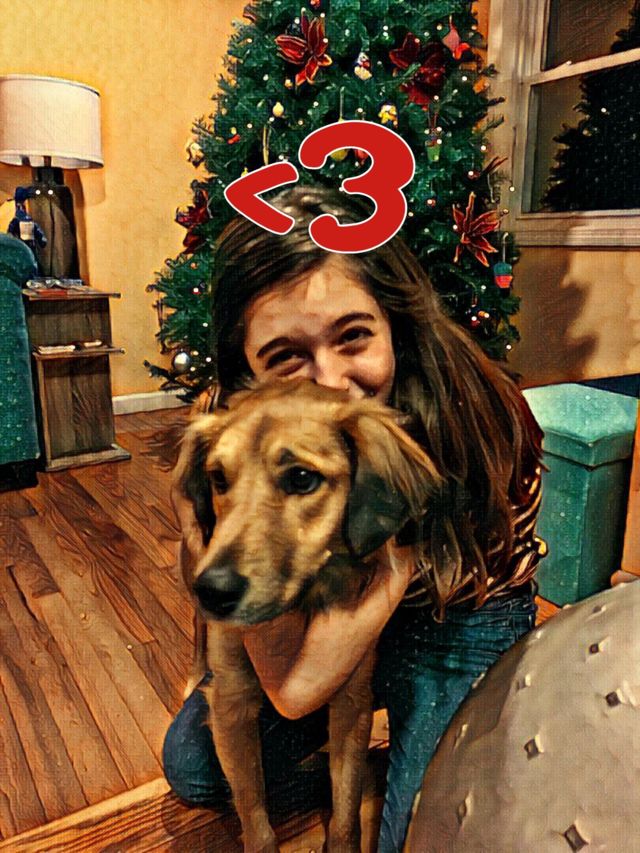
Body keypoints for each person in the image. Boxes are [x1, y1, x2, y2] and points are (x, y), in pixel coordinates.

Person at [162, 185, 546, 851]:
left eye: (353, 337)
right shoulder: (231, 425)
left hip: (457, 607)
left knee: (424, 833)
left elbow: (298, 687)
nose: (329, 380)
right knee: (193, 767)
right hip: (325, 593)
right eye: (284, 355)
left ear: (396, 321)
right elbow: (288, 680)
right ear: (244, 364)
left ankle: (422, 742)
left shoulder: (479, 421)